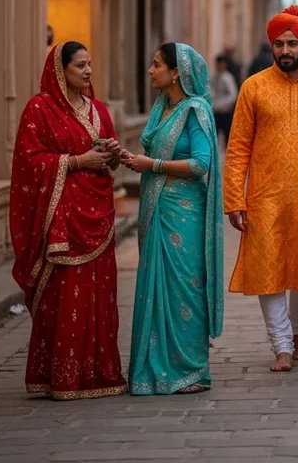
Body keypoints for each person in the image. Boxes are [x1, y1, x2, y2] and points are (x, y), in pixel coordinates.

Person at [224, 6, 298, 372]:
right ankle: (282, 345)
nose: (285, 50)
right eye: (279, 43)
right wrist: (233, 199)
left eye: (292, 43)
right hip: (266, 195)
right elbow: (238, 145)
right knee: (268, 269)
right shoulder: (253, 87)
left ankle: (295, 329)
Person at [10, 42, 126, 399]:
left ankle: (98, 373)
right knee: (64, 295)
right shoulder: (39, 109)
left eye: (90, 64)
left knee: (100, 293)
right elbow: (29, 162)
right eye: (80, 65)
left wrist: (112, 155)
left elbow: (109, 162)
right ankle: (60, 377)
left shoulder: (98, 110)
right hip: (59, 218)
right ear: (61, 70)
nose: (88, 71)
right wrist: (76, 162)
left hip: (97, 217)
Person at [122, 43, 224, 395]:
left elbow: (201, 163)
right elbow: (152, 149)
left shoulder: (195, 111)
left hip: (184, 215)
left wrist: (152, 166)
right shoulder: (162, 108)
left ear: (176, 72)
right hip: (158, 210)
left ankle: (189, 370)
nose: (150, 70)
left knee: (184, 289)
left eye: (156, 64)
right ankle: (153, 371)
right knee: (156, 287)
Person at [212, 54, 238, 147]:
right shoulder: (215, 77)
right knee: (215, 135)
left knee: (227, 136)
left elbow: (233, 95)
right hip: (216, 111)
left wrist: (220, 103)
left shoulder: (228, 77)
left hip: (225, 111)